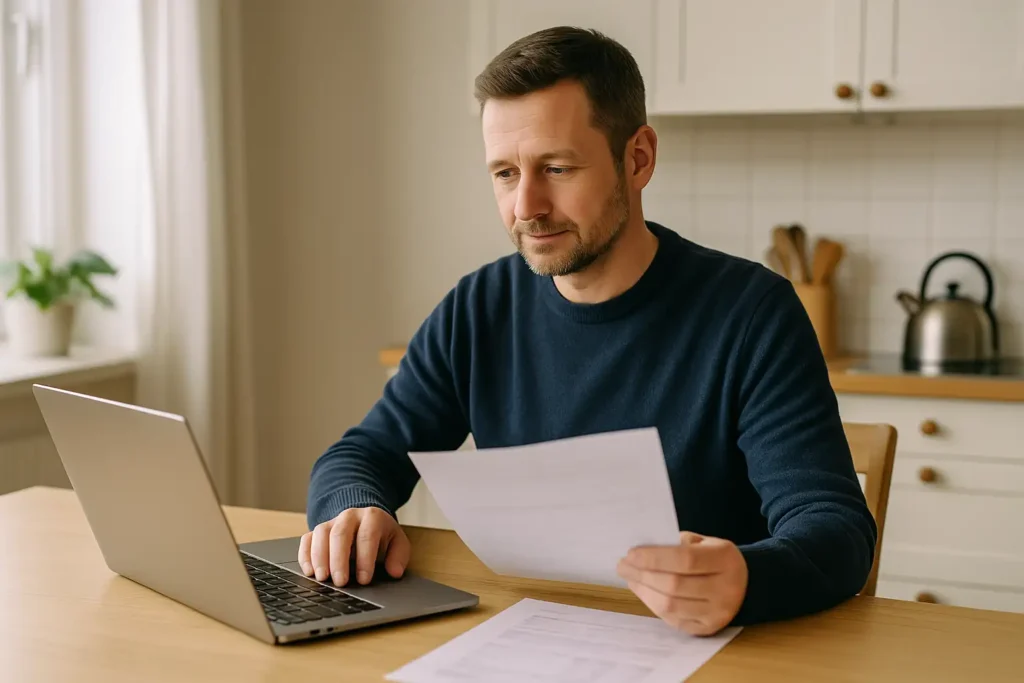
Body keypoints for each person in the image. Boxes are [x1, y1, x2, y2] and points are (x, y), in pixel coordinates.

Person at [299, 26, 876, 636]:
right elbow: (361, 454)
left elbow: (834, 529)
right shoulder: (479, 307)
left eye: (557, 166)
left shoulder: (752, 313)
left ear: (639, 158)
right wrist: (354, 510)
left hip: (709, 651)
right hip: (529, 637)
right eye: (503, 173)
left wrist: (748, 579)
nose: (527, 206)